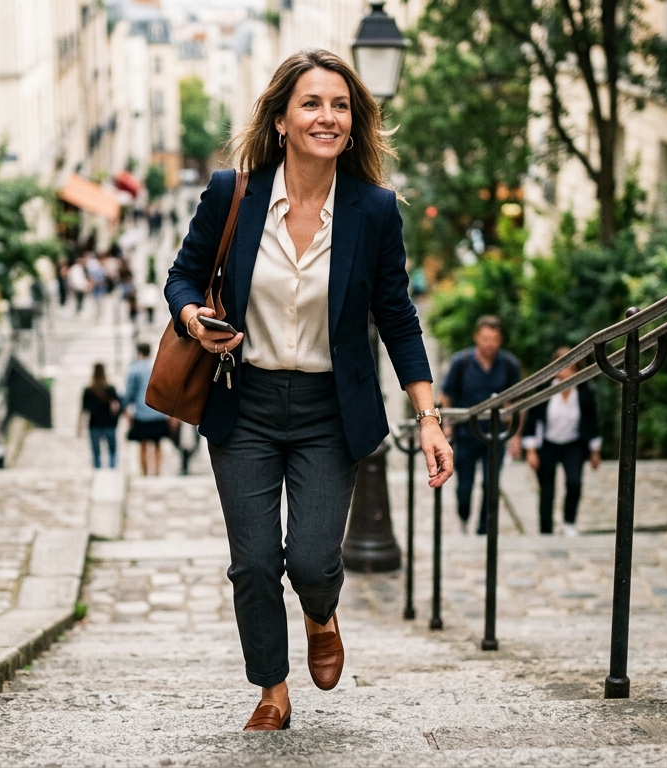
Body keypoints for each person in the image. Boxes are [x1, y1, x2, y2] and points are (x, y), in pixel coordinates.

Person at [164, 49, 453, 732]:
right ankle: (272, 689)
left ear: (353, 124)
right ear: (283, 120)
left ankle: (321, 614)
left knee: (314, 561)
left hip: (331, 411)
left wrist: (430, 417)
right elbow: (182, 275)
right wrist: (191, 317)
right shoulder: (232, 193)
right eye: (312, 104)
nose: (327, 116)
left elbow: (398, 316)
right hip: (246, 403)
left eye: (340, 105)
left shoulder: (373, 211)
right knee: (256, 562)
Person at [439, 315, 522, 535]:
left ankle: (484, 529)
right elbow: (446, 395)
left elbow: (516, 401)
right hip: (466, 434)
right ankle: (464, 516)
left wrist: (516, 436)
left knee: (490, 484)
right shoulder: (462, 362)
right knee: (464, 486)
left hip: (494, 435)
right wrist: (447, 424)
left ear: (500, 340)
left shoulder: (508, 364)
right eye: (485, 338)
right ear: (477, 337)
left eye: (494, 339)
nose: (489, 344)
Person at [522, 347, 602, 536]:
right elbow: (532, 419)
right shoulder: (544, 390)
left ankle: (569, 522)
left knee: (574, 482)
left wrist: (595, 450)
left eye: (571, 368)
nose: (566, 373)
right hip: (548, 443)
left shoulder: (584, 391)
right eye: (563, 367)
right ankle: (546, 529)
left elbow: (592, 421)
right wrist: (531, 450)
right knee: (547, 488)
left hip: (573, 444)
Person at [122, 343, 170, 475]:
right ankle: (157, 471)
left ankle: (145, 473)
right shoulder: (157, 366)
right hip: (158, 411)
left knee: (143, 445)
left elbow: (129, 392)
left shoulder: (134, 369)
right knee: (157, 444)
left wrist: (124, 406)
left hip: (142, 411)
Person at [79, 363, 121, 469]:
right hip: (109, 424)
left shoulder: (88, 390)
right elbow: (116, 407)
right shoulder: (110, 389)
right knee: (112, 450)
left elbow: (84, 410)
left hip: (94, 424)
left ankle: (98, 471)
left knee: (96, 453)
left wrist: (79, 427)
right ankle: (112, 471)